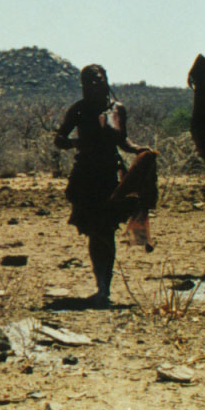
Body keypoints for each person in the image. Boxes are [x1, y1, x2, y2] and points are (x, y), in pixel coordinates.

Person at [54, 64, 158, 306]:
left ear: (105, 81)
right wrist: (77, 143)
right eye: (89, 82)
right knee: (95, 231)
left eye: (98, 81)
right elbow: (60, 139)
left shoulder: (116, 109)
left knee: (106, 229)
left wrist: (138, 150)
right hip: (86, 176)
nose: (94, 85)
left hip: (110, 175)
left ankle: (105, 288)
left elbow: (122, 140)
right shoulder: (79, 110)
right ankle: (102, 287)